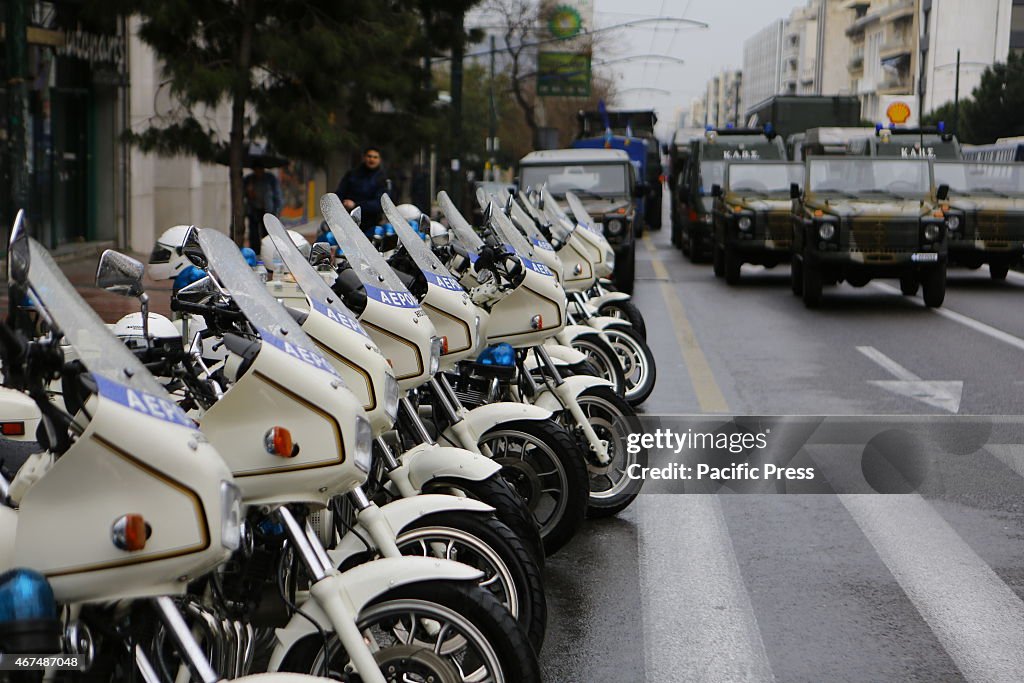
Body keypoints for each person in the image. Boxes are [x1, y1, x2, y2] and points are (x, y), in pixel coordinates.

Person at [335, 146, 390, 233]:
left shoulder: (382, 179)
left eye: (375, 157)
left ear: (379, 160)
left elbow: (380, 204)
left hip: (371, 224)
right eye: (369, 156)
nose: (371, 159)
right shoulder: (352, 174)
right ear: (364, 157)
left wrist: (355, 205)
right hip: (347, 221)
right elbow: (340, 193)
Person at [243, 164, 284, 250]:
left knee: (267, 235)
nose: (258, 172)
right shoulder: (249, 179)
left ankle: (268, 250)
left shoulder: (270, 179)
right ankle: (256, 251)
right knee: (254, 235)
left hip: (268, 210)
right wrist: (249, 192)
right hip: (254, 210)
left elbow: (277, 196)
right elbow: (243, 195)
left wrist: (276, 212)